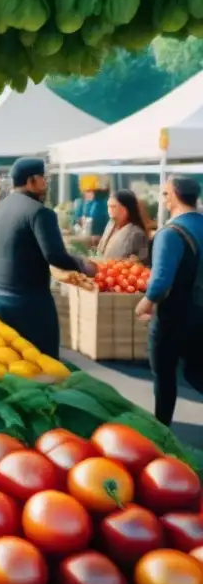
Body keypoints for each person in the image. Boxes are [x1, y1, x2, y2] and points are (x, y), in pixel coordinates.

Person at [0, 157, 96, 358]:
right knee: (41, 364)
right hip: (29, 304)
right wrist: (83, 265)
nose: (45, 185)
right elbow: (55, 256)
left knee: (7, 362)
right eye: (43, 179)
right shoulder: (40, 213)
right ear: (32, 180)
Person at [136, 176, 203, 426]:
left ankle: (162, 430)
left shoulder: (171, 232)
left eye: (164, 194)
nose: (163, 199)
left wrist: (146, 302)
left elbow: (161, 280)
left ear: (174, 194)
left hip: (173, 316)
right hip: (200, 312)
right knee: (196, 370)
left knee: (164, 375)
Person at [98, 189, 150, 263]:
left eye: (113, 207)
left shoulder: (136, 233)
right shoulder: (110, 226)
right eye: (108, 206)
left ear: (126, 209)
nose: (110, 210)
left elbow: (142, 263)